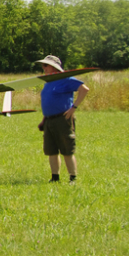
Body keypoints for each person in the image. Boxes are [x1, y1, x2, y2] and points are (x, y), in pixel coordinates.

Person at [36, 55, 90, 183]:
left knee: (67, 150)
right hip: (49, 120)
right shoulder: (48, 81)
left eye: (46, 65)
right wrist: (44, 119)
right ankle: (55, 178)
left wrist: (74, 107)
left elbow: (84, 89)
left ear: (54, 67)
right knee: (51, 150)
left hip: (62, 119)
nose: (43, 68)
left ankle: (73, 178)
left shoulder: (66, 79)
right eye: (43, 65)